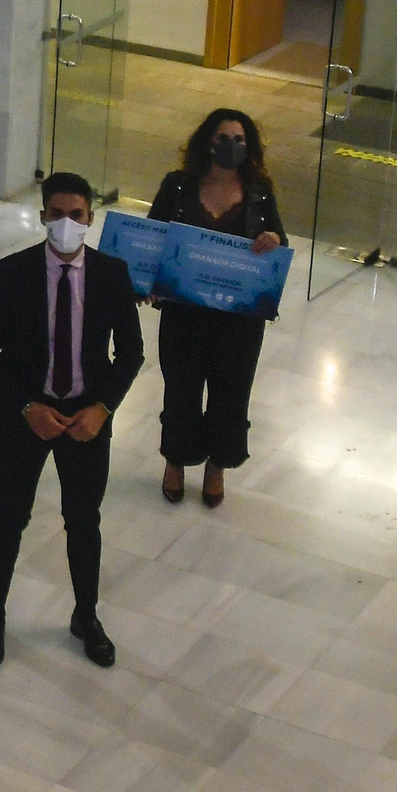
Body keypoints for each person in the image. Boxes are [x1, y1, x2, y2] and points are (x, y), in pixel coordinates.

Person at [0, 173, 143, 670]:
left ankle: (86, 615)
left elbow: (130, 352)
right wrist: (26, 405)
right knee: (9, 517)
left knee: (84, 520)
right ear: (43, 215)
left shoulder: (111, 274)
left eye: (78, 215)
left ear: (91, 218)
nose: (67, 223)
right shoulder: (12, 272)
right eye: (58, 213)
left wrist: (102, 408)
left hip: (86, 416)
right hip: (27, 414)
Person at [148, 109, 286, 508]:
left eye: (240, 139)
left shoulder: (258, 191)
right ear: (208, 141)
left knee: (231, 393)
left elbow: (279, 237)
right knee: (181, 390)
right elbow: (155, 236)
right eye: (224, 137)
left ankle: (217, 467)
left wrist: (273, 238)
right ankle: (176, 461)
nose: (232, 146)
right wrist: (150, 285)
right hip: (185, 314)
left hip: (238, 318)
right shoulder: (178, 187)